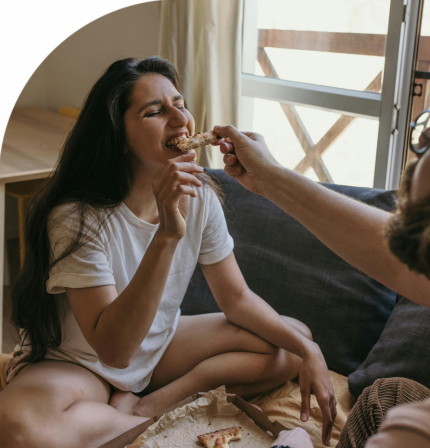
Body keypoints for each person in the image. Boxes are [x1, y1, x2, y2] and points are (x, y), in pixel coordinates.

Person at [0, 57, 337, 448]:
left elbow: (237, 298)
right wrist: (167, 234)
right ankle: (137, 415)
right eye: (155, 111)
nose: (181, 120)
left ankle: (151, 406)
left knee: (294, 340)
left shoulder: (201, 196)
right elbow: (114, 352)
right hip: (82, 364)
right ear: (118, 137)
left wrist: (310, 350)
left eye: (180, 104)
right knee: (17, 428)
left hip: (160, 346)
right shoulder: (76, 217)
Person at [212, 121, 430, 448]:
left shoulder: (411, 430)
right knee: (388, 393)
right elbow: (399, 258)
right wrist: (268, 176)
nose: (424, 137)